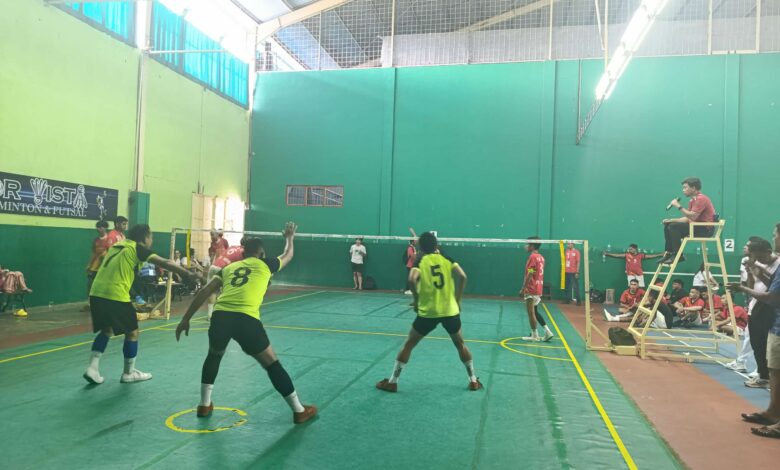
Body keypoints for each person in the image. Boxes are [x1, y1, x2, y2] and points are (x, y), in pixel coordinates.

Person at [175, 223, 317, 424]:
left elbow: (205, 291)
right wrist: (289, 237)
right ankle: (299, 410)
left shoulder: (229, 268)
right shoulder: (266, 264)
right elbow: (288, 254)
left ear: (243, 254)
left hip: (221, 317)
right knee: (272, 364)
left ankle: (204, 405)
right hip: (246, 320)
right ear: (261, 254)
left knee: (214, 356)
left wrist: (185, 319)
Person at [83, 224, 200, 385]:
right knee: (132, 332)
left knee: (107, 329)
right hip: (115, 294)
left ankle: (92, 368)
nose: (152, 240)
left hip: (96, 292)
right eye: (151, 237)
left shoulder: (118, 246)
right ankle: (129, 373)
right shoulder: (138, 248)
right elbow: (165, 262)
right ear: (145, 238)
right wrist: (186, 273)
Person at [376, 231, 482, 392]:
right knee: (460, 344)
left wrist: (417, 301)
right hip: (450, 311)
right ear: (436, 245)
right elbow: (463, 276)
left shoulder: (421, 261)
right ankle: (473, 380)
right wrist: (458, 300)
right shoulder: (447, 259)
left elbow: (411, 279)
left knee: (409, 344)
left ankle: (392, 382)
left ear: (421, 248)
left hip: (428, 313)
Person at [729, 223, 780, 439]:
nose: (774, 237)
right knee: (774, 370)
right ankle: (773, 412)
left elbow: (773, 297)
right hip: (776, 323)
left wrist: (742, 288)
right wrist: (755, 272)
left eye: (775, 234)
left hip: (771, 315)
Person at [731, 238, 779, 388]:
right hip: (756, 305)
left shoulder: (777, 264)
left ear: (768, 252)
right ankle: (763, 374)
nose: (759, 261)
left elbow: (771, 292)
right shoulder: (756, 263)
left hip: (768, 307)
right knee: (756, 343)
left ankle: (765, 375)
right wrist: (751, 273)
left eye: (760, 257)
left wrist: (743, 288)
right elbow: (753, 287)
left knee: (765, 344)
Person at [660, 177, 716, 264]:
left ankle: (678, 255)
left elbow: (693, 217)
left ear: (693, 188)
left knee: (673, 226)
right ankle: (669, 253)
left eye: (685, 187)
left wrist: (678, 206)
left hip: (705, 230)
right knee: (668, 225)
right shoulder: (692, 201)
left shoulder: (701, 199)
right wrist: (671, 220)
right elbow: (688, 218)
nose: (683, 190)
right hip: (696, 226)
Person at [519, 237, 554, 342]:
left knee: (531, 313)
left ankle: (534, 335)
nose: (526, 246)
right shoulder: (541, 257)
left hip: (531, 288)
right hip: (538, 287)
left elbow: (530, 273)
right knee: (535, 311)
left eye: (528, 244)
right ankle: (548, 332)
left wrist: (523, 288)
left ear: (532, 246)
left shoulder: (533, 257)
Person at [205, 241, 246, 319]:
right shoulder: (244, 252)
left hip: (214, 266)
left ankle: (210, 315)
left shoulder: (232, 247)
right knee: (226, 292)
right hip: (223, 268)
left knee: (212, 292)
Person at [86, 220, 110, 297]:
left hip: (104, 268)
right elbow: (93, 253)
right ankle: (91, 301)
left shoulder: (109, 239)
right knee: (90, 285)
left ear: (105, 228)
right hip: (94, 267)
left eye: (100, 227)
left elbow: (110, 253)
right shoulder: (96, 240)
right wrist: (89, 265)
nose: (98, 229)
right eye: (97, 227)